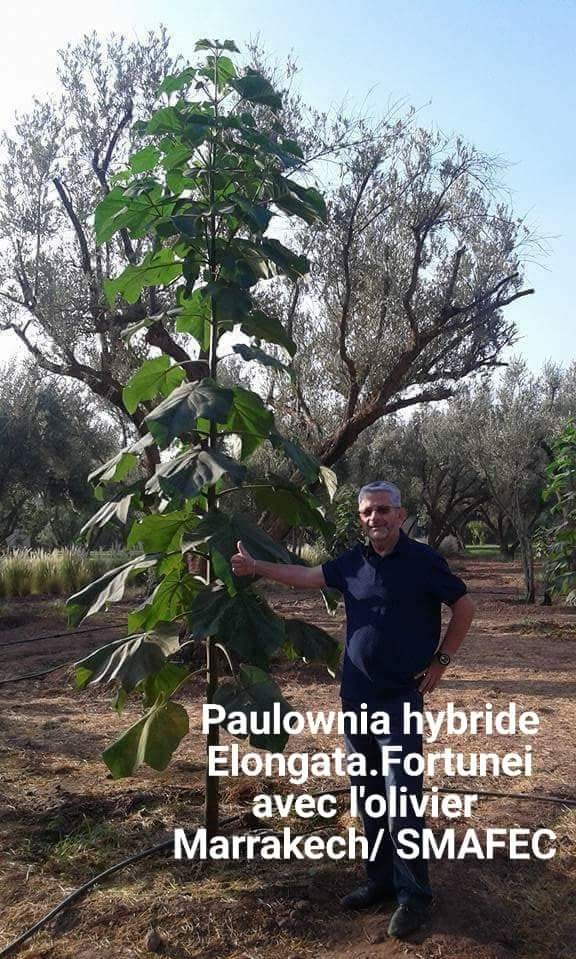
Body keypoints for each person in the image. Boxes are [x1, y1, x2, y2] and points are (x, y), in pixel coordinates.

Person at [231, 479, 474, 939]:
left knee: (402, 797)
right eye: (367, 512)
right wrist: (257, 565)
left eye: (383, 510)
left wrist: (441, 662)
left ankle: (413, 895)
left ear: (401, 515)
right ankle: (380, 881)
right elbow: (306, 577)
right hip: (356, 697)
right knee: (368, 796)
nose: (375, 519)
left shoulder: (424, 562)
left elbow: (464, 608)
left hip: (400, 698)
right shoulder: (353, 562)